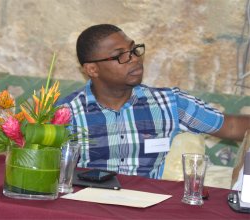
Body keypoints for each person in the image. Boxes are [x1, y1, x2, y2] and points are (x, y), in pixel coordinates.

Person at [57, 24, 250, 179]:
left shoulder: (169, 103)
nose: (134, 59)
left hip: (148, 207)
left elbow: (231, 126)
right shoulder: (65, 113)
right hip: (87, 206)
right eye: (120, 55)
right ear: (92, 70)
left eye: (134, 50)